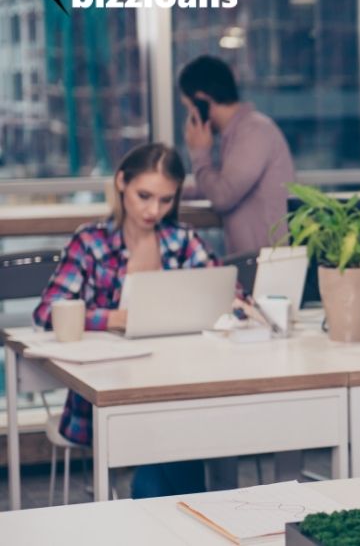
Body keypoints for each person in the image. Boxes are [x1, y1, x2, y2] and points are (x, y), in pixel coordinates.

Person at [34, 142, 219, 497]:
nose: (154, 210)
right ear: (121, 183)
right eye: (144, 196)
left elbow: (224, 293)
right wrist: (116, 318)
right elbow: (47, 311)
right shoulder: (91, 241)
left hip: (179, 383)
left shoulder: (181, 240)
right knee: (174, 437)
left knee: (174, 424)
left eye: (166, 200)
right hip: (108, 390)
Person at [179, 55, 296, 256]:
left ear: (202, 101)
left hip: (269, 264)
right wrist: (172, 191)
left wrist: (199, 153)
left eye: (189, 108)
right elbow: (217, 185)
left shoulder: (254, 131)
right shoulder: (235, 135)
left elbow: (223, 195)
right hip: (256, 262)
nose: (189, 117)